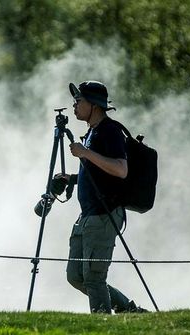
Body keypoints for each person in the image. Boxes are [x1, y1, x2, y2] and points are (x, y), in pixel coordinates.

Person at [64, 81, 148, 314]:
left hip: (104, 214)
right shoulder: (93, 131)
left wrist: (85, 153)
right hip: (88, 215)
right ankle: (130, 311)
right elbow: (97, 174)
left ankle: (103, 323)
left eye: (79, 101)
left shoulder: (109, 131)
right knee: (76, 276)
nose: (75, 105)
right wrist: (71, 178)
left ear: (94, 105)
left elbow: (121, 170)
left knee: (94, 277)